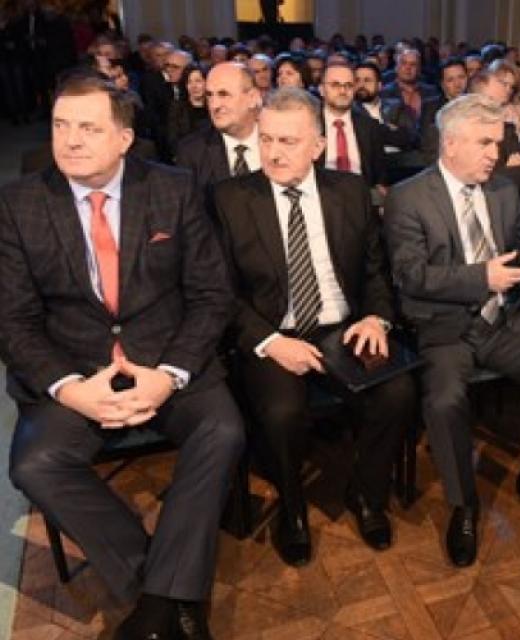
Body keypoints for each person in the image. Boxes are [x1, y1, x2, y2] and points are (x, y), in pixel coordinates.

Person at [0, 72, 244, 639]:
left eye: (89, 128)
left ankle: (157, 606)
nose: (71, 140)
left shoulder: (173, 188)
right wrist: (70, 388)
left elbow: (212, 295)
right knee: (33, 464)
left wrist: (169, 375)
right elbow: (13, 321)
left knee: (223, 430)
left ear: (124, 139)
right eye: (61, 125)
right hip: (76, 367)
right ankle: (166, 592)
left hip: (164, 358)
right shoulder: (17, 204)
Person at [385, 94, 520, 567]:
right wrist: (482, 278)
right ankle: (464, 505)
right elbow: (411, 276)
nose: (494, 154)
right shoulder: (408, 197)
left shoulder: (502, 191)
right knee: (444, 402)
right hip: (445, 329)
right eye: (484, 143)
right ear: (450, 143)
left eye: (497, 143)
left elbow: (516, 255)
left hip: (504, 320)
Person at [214, 87, 414, 567]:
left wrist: (376, 318)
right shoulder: (230, 198)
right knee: (283, 412)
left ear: (318, 146)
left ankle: (366, 495)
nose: (273, 153)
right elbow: (220, 293)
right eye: (266, 140)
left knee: (398, 393)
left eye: (288, 141)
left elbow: (375, 271)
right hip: (273, 332)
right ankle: (293, 511)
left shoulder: (349, 191)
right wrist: (269, 342)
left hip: (342, 327)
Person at [175, 62, 262, 216]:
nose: (214, 105)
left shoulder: (279, 140)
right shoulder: (192, 152)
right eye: (209, 95)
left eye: (223, 94)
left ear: (252, 98)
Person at [318, 62, 388, 190]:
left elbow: (380, 174)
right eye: (335, 85)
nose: (343, 91)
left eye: (349, 85)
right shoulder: (309, 124)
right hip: (321, 193)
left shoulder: (369, 126)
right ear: (321, 90)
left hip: (362, 194)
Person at [419, 57, 468, 162]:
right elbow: (427, 143)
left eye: (461, 77)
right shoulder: (430, 108)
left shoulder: (476, 105)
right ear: (442, 85)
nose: (457, 84)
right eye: (450, 80)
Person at [166, 62, 209, 158]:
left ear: (207, 82)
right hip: (186, 157)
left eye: (198, 81)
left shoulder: (213, 106)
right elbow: (173, 139)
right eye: (189, 82)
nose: (194, 86)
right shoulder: (177, 107)